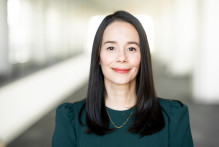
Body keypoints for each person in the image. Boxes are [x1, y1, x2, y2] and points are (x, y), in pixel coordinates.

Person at [52, 10, 193, 147]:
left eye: (131, 48)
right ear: (98, 56)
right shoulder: (70, 119)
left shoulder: (173, 117)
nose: (122, 58)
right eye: (111, 48)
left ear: (142, 57)